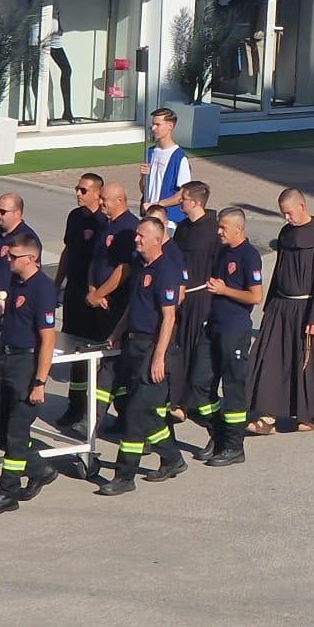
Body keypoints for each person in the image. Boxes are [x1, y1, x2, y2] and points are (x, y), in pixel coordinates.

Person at [94, 216, 186, 494]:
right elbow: (134, 308)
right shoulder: (142, 268)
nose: (136, 239)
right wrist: (116, 333)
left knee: (135, 413)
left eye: (142, 236)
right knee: (147, 415)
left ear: (157, 240)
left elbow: (169, 318)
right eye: (136, 235)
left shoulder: (165, 270)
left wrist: (159, 358)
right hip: (133, 346)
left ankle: (125, 476)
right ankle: (172, 458)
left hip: (152, 349)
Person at [0, 228, 58, 515]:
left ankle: (7, 493)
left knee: (16, 431)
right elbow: (12, 320)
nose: (7, 259)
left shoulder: (43, 289)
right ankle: (40, 469)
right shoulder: (15, 280)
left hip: (27, 365)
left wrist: (40, 382)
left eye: (13, 256)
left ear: (31, 258)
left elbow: (48, 338)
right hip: (6, 361)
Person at [246, 190, 314, 435]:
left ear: (302, 206)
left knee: (307, 363)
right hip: (281, 305)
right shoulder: (286, 233)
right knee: (271, 359)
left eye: (289, 212)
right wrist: (270, 306)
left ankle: (309, 415)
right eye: (283, 213)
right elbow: (279, 270)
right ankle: (267, 415)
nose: (287, 218)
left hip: (308, 308)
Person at [198, 208, 263, 466]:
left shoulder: (249, 255)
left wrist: (226, 290)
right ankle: (218, 434)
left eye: (223, 227)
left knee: (233, 388)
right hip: (212, 325)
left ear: (239, 228)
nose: (219, 231)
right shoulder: (222, 251)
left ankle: (234, 447)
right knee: (200, 383)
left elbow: (255, 296)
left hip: (234, 329)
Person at [53, 173, 106, 428]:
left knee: (95, 354)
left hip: (95, 298)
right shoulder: (74, 217)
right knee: (73, 350)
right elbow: (68, 251)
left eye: (84, 190)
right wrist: (57, 283)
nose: (78, 193)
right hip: (74, 292)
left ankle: (99, 411)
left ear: (98, 193)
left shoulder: (104, 222)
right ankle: (75, 405)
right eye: (77, 189)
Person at [83, 182, 138, 427]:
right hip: (100, 303)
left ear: (119, 200)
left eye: (105, 199)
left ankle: (94, 419)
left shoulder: (128, 228)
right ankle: (122, 416)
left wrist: (100, 293)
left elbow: (123, 269)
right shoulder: (108, 226)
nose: (101, 202)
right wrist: (93, 289)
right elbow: (96, 261)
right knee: (110, 362)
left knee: (112, 362)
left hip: (116, 305)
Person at [170, 180, 219, 426]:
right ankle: (176, 398)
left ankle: (189, 401)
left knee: (194, 348)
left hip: (201, 297)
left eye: (184, 198)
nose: (180, 201)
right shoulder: (182, 228)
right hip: (181, 296)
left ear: (196, 202)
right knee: (178, 346)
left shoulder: (212, 230)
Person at [0, 193, 38, 293]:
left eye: (2, 211)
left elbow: (32, 279)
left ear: (17, 214)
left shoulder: (27, 240)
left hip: (10, 302)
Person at [140, 107, 191, 223]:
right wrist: (143, 176)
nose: (153, 128)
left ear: (170, 126)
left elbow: (183, 194)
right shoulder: (150, 152)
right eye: (153, 124)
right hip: (149, 214)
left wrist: (157, 205)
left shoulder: (179, 157)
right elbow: (143, 189)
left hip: (168, 219)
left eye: (158, 125)